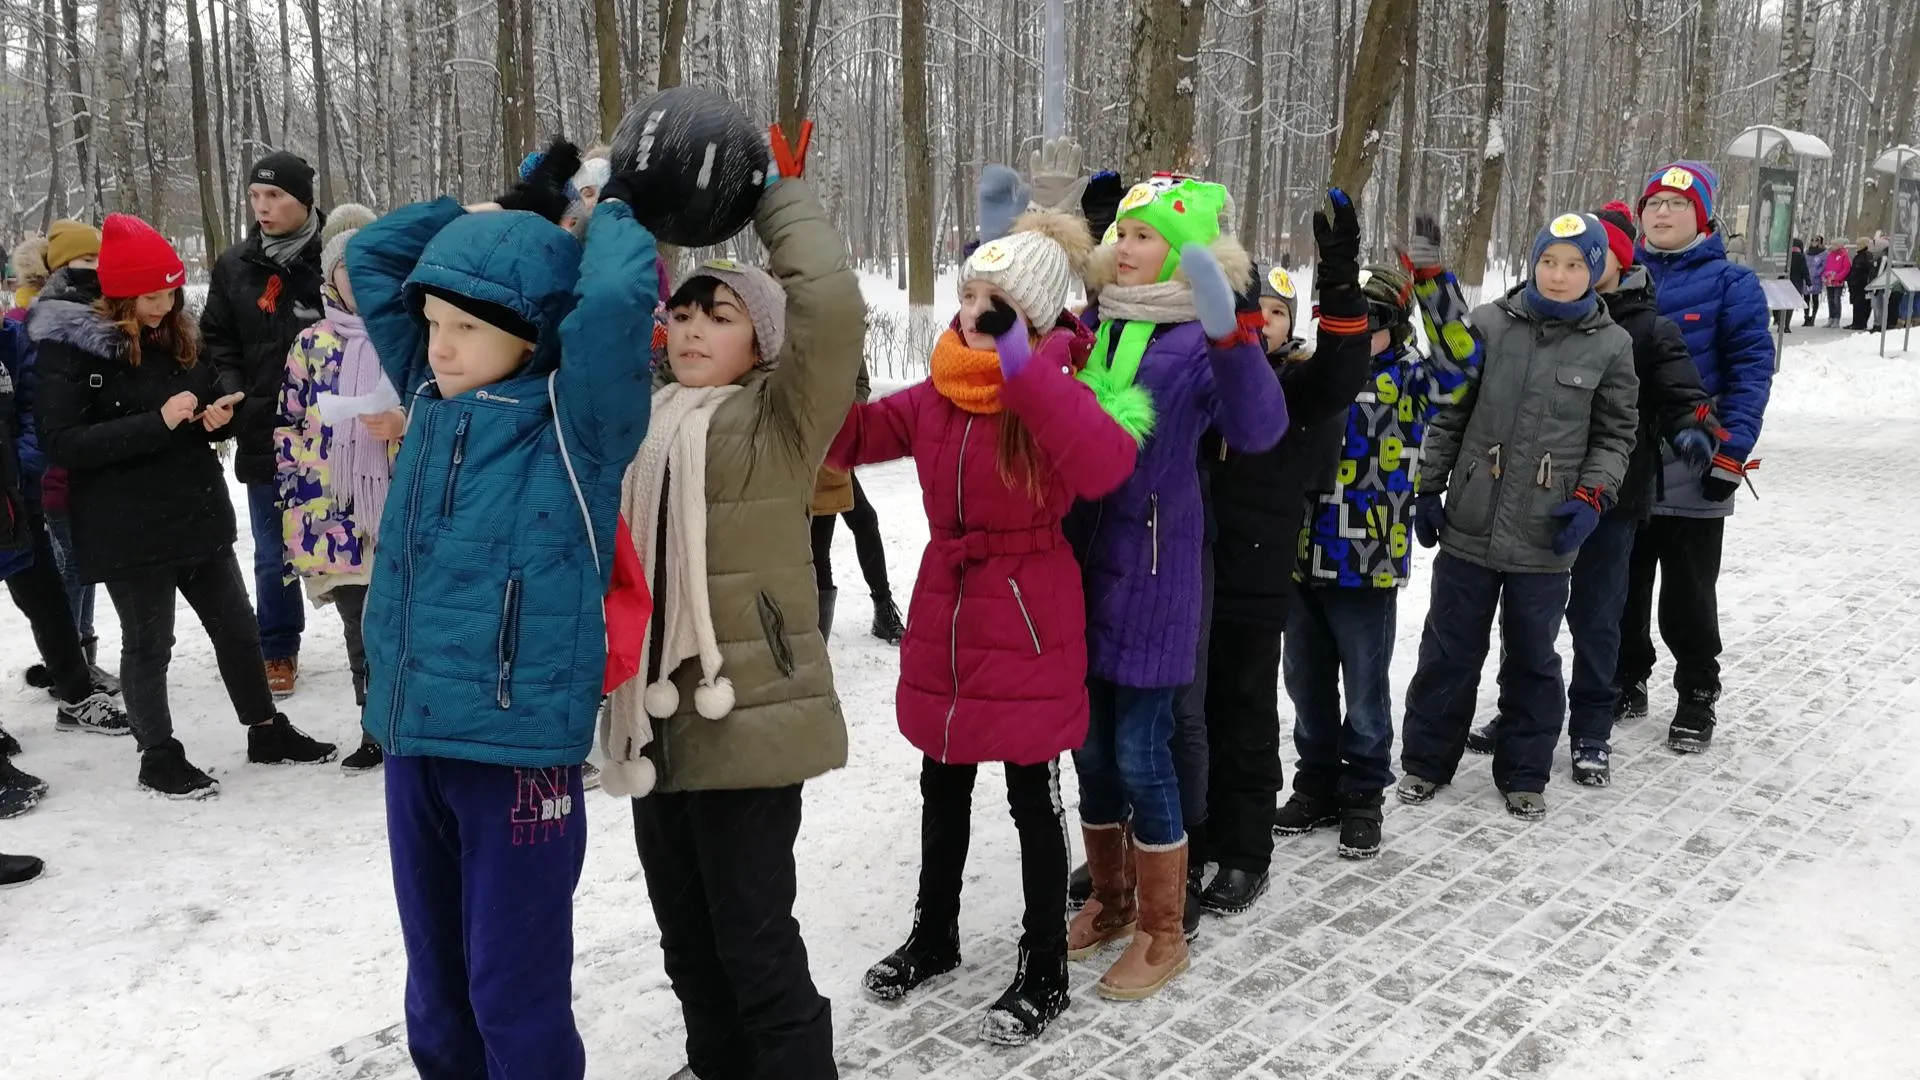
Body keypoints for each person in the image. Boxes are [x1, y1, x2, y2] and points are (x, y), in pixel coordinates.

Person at [347, 139, 655, 1079]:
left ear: (531, 335)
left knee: (510, 991)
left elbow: (607, 304)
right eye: (433, 322)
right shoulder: (433, 396)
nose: (438, 345)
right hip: (415, 740)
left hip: (516, 757)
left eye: (466, 329)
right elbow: (374, 258)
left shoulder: (578, 425)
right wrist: (509, 205)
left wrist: (616, 206)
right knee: (436, 992)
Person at [835, 204, 1136, 1043]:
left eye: (996, 299)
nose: (975, 309)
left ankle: (1044, 965)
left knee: (1033, 802)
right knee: (942, 782)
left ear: (1032, 313)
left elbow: (1106, 463)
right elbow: (854, 435)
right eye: (970, 294)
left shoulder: (1058, 391)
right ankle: (935, 934)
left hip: (1027, 612)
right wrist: (804, 379)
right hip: (951, 610)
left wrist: (1020, 361)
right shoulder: (938, 392)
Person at [596, 125, 859, 1080]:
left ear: (761, 342)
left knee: (756, 946)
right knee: (687, 943)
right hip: (652, 721)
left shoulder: (780, 422)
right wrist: (612, 204)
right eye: (686, 313)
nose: (695, 328)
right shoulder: (639, 418)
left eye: (722, 315)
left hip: (749, 714)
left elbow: (829, 306)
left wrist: (775, 194)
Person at [1063, 174, 1287, 1000]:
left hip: (1158, 567)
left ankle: (1163, 930)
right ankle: (1114, 898)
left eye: (1145, 236)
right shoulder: (1097, 328)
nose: (1124, 248)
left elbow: (1259, 428)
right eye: (1121, 233)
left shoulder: (1196, 340)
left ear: (1188, 252)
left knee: (1139, 751)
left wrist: (1235, 336)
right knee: (1088, 745)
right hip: (1080, 565)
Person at [35, 213, 338, 798]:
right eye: (151, 295)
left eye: (171, 291)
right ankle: (158, 755)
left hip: (195, 511)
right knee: (150, 645)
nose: (164, 303)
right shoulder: (70, 350)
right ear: (121, 294)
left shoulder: (174, 331)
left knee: (239, 629)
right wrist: (158, 422)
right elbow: (62, 443)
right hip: (126, 527)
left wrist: (210, 419)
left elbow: (194, 399)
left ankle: (266, 729)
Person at [1467, 203, 1720, 785]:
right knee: (1528, 623)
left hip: (1612, 502)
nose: (1568, 270)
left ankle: (1591, 730)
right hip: (1535, 498)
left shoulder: (1645, 327)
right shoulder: (1529, 309)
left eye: (1585, 258)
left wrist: (1691, 426)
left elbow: (1683, 389)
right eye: (1556, 260)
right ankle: (1517, 716)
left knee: (1598, 619)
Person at [1397, 212, 1639, 821]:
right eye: (1549, 261)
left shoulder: (1611, 345)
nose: (1559, 276)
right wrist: (1429, 489)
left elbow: (1616, 436)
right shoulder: (1487, 325)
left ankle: (1525, 771)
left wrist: (1591, 498)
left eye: (1575, 264)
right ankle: (1427, 762)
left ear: (1594, 271)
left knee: (1533, 657)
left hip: (1546, 530)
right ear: (1533, 263)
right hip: (1472, 521)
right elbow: (1449, 413)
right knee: (1449, 649)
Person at [1271, 247, 1480, 857]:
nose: (1359, 335)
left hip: (1367, 562)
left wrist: (1436, 281)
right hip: (1298, 555)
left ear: (1396, 324)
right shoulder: (1308, 371)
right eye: (1345, 321)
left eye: (1372, 322)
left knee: (1364, 688)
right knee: (1305, 682)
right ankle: (1315, 782)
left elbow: (1463, 365)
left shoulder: (1413, 377)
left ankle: (1363, 793)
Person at [1195, 195, 1373, 912]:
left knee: (1240, 715)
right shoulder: (1197, 379)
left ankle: (1244, 851)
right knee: (1181, 720)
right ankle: (1179, 839)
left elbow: (1343, 366)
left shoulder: (1297, 387)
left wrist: (1338, 273)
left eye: (1273, 314)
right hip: (1185, 571)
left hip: (1254, 574)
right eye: (1249, 310)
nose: (1260, 323)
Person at [1619, 161, 1775, 753]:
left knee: (1687, 594)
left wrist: (1730, 454)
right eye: (1653, 203)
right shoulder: (1616, 274)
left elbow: (1751, 371)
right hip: (1624, 466)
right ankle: (1624, 678)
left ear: (1703, 217)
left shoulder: (1733, 285)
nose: (1662, 213)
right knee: (1621, 588)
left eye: (1677, 205)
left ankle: (1696, 693)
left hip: (1695, 463)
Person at [274, 206, 396, 773]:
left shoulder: (409, 333)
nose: (362, 277)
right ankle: (373, 728)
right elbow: (290, 423)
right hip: (337, 508)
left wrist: (400, 425)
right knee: (360, 623)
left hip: (398, 503)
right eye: (351, 268)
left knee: (404, 618)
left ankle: (410, 723)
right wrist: (305, 490)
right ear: (332, 278)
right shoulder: (310, 345)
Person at [204, 151, 329, 698]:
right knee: (271, 546)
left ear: (304, 199)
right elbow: (217, 337)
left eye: (275, 196)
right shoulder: (235, 266)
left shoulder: (336, 258)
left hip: (331, 429)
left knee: (356, 537)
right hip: (262, 425)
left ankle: (372, 641)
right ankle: (277, 646)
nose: (263, 207)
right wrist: (235, 385)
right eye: (256, 196)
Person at [18, 221, 117, 694]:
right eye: (84, 262)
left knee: (81, 563)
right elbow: (36, 404)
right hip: (53, 471)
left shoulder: (98, 311)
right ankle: (71, 661)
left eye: (98, 260)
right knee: (66, 568)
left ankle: (80, 654)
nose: (94, 270)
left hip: (83, 469)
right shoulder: (42, 322)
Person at [810, 455, 906, 643]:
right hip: (815, 459)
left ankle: (883, 607)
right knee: (820, 547)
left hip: (833, 458)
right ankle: (817, 636)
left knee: (865, 520)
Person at [1846, 236, 1878, 331]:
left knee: (1862, 305)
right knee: (1856, 304)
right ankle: (1856, 322)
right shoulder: (1858, 256)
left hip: (1862, 284)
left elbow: (1868, 270)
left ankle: (1861, 323)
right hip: (1856, 284)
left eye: (1859, 244)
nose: (1857, 246)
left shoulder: (1867, 256)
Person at [1822, 238, 1852, 329]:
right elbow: (1826, 267)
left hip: (1838, 281)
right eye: (1832, 244)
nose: (1832, 246)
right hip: (1829, 281)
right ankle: (1831, 318)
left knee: (1836, 300)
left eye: (1834, 245)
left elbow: (1846, 268)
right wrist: (1824, 276)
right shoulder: (1830, 255)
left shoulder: (1844, 255)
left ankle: (1837, 319)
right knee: (1830, 300)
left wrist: (1838, 277)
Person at [1802, 235, 1826, 326]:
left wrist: (1816, 273)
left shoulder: (1823, 253)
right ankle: (1806, 317)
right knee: (1806, 298)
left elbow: (1824, 266)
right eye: (1812, 240)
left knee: (1815, 298)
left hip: (1816, 278)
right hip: (1807, 278)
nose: (1814, 242)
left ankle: (1813, 318)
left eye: (1816, 240)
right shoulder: (1807, 253)